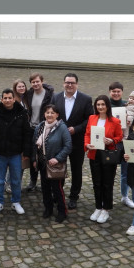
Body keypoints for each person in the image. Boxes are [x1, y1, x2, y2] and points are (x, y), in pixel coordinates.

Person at [51, 73, 93, 209]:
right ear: (63, 83)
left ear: (77, 84)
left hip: (77, 140)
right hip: (60, 141)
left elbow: (89, 119)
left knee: (76, 170)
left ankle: (74, 196)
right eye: (67, 82)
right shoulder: (56, 97)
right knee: (59, 168)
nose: (69, 85)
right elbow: (51, 115)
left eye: (72, 83)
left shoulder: (86, 99)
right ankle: (59, 194)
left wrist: (76, 128)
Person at [0, 88, 31, 216]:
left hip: (16, 153)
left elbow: (27, 134)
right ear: (1, 100)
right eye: (5, 98)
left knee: (16, 180)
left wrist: (26, 151)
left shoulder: (22, 114)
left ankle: (16, 201)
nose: (7, 100)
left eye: (9, 98)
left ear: (14, 99)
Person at [84, 95, 123, 224]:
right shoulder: (92, 118)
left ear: (107, 106)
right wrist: (86, 145)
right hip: (94, 154)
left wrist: (112, 140)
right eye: (98, 105)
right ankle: (98, 207)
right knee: (97, 183)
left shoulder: (114, 121)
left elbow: (119, 136)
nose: (100, 107)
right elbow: (87, 134)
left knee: (107, 183)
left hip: (108, 154)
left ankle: (106, 208)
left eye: (103, 105)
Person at [32, 105, 72, 223]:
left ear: (57, 115)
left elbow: (68, 146)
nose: (49, 115)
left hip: (55, 165)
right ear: (44, 114)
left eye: (52, 113)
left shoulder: (62, 128)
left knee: (57, 189)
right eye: (47, 112)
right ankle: (48, 209)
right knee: (45, 188)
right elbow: (34, 144)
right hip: (42, 163)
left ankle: (62, 211)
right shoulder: (40, 127)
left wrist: (58, 158)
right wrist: (34, 159)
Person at [24, 73, 54, 192]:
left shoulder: (49, 94)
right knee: (33, 155)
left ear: (42, 81)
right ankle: (33, 180)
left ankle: (45, 180)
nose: (35, 84)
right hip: (32, 128)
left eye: (37, 81)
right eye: (33, 82)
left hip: (44, 128)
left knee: (44, 155)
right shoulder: (29, 94)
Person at [108, 82, 134, 208]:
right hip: (113, 141)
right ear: (110, 92)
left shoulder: (127, 105)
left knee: (126, 171)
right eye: (113, 91)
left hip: (127, 141)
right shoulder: (106, 105)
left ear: (122, 92)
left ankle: (125, 196)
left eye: (118, 91)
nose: (116, 93)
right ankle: (108, 197)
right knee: (110, 171)